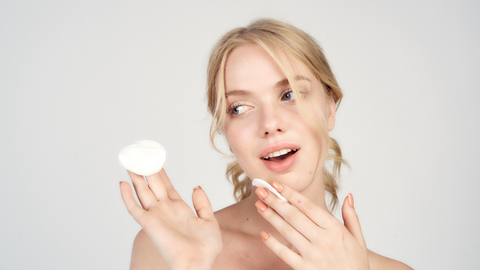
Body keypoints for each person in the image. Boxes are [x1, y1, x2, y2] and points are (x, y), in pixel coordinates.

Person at [119, 18, 413, 269]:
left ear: (330, 109)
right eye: (240, 108)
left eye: (290, 94)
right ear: (226, 133)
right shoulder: (164, 250)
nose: (269, 124)